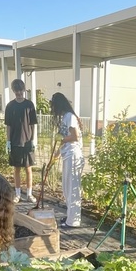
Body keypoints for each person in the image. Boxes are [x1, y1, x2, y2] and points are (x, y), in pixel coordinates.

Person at [50, 93, 84, 227]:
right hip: (67, 155)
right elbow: (64, 139)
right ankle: (70, 216)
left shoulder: (69, 116)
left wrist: (61, 139)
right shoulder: (66, 117)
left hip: (73, 156)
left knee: (72, 189)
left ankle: (73, 221)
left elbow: (74, 136)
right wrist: (56, 155)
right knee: (66, 188)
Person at [4, 78, 37, 203]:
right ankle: (17, 194)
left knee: (28, 168)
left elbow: (33, 124)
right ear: (13, 91)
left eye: (21, 91)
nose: (19, 93)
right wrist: (8, 141)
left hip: (28, 141)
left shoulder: (29, 105)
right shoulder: (10, 106)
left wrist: (33, 140)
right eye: (16, 91)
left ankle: (29, 194)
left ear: (24, 90)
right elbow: (8, 125)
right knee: (17, 168)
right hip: (15, 141)